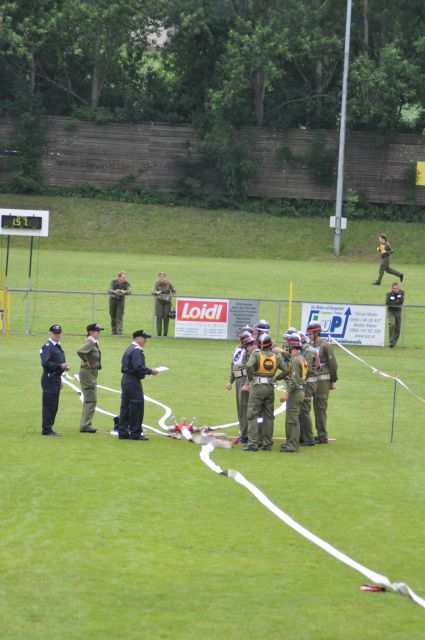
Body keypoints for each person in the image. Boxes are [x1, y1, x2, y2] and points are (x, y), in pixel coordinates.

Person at [242, 333, 287, 451]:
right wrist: (277, 378)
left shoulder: (256, 354)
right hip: (270, 388)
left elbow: (249, 366)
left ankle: (253, 443)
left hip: (257, 387)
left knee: (252, 415)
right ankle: (267, 444)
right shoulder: (275, 357)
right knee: (268, 417)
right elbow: (286, 370)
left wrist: (250, 378)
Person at [117, 329, 158, 440]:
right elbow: (138, 368)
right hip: (133, 380)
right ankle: (135, 433)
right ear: (137, 338)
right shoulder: (136, 350)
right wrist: (151, 371)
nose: (145, 340)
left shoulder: (130, 348)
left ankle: (123, 431)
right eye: (144, 338)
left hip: (126, 379)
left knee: (125, 406)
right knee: (137, 406)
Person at [306, 321, 338, 444]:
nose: (309, 336)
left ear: (317, 333)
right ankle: (313, 434)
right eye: (308, 334)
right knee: (310, 407)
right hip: (312, 379)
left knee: (320, 407)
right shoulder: (310, 345)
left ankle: (322, 435)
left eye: (311, 333)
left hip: (323, 379)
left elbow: (333, 364)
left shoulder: (325, 345)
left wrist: (332, 380)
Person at [40, 324, 71, 436]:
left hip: (55, 378)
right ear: (50, 334)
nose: (57, 335)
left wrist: (61, 374)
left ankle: (49, 427)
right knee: (49, 405)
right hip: (49, 378)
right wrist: (60, 366)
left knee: (54, 405)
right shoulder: (48, 346)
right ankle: (46, 429)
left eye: (58, 333)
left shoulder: (57, 346)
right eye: (55, 333)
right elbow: (45, 363)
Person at [279, 333, 308, 453]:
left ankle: (293, 445)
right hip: (299, 391)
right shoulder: (301, 358)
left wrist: (286, 393)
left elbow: (294, 380)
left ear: (292, 347)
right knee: (292, 419)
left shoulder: (295, 360)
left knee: (292, 420)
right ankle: (290, 442)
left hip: (295, 392)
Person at [226, 331, 256, 444]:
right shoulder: (238, 349)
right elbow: (233, 366)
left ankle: (246, 434)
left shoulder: (249, 352)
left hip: (244, 380)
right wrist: (230, 381)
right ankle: (243, 432)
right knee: (240, 408)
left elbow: (250, 368)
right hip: (239, 380)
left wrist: (247, 383)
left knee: (244, 407)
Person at [77, 322, 104, 433]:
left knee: (89, 399)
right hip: (88, 374)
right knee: (91, 400)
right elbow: (80, 351)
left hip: (91, 373)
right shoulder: (90, 342)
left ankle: (85, 424)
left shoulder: (93, 342)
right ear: (91, 332)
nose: (99, 333)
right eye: (98, 331)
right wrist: (85, 361)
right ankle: (85, 425)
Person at [299, 332, 317, 446]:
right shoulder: (305, 351)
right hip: (305, 382)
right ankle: (302, 436)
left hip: (308, 383)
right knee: (301, 410)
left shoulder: (309, 352)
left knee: (304, 410)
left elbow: (307, 370)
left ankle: (309, 438)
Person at [151, 272, 176, 336]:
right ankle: (159, 333)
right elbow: (152, 291)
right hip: (159, 302)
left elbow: (174, 291)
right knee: (159, 317)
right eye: (160, 277)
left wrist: (169, 297)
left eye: (162, 277)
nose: (161, 278)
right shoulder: (157, 283)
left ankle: (165, 333)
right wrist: (156, 292)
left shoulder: (169, 283)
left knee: (166, 317)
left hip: (167, 302)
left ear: (165, 277)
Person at [385, 282, 405, 348]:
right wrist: (396, 301)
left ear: (399, 288)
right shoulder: (389, 293)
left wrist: (393, 302)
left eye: (397, 288)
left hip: (398, 311)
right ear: (392, 288)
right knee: (392, 324)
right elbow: (387, 303)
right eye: (394, 288)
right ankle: (391, 341)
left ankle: (394, 342)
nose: (395, 289)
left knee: (398, 327)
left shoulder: (402, 293)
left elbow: (401, 302)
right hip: (391, 311)